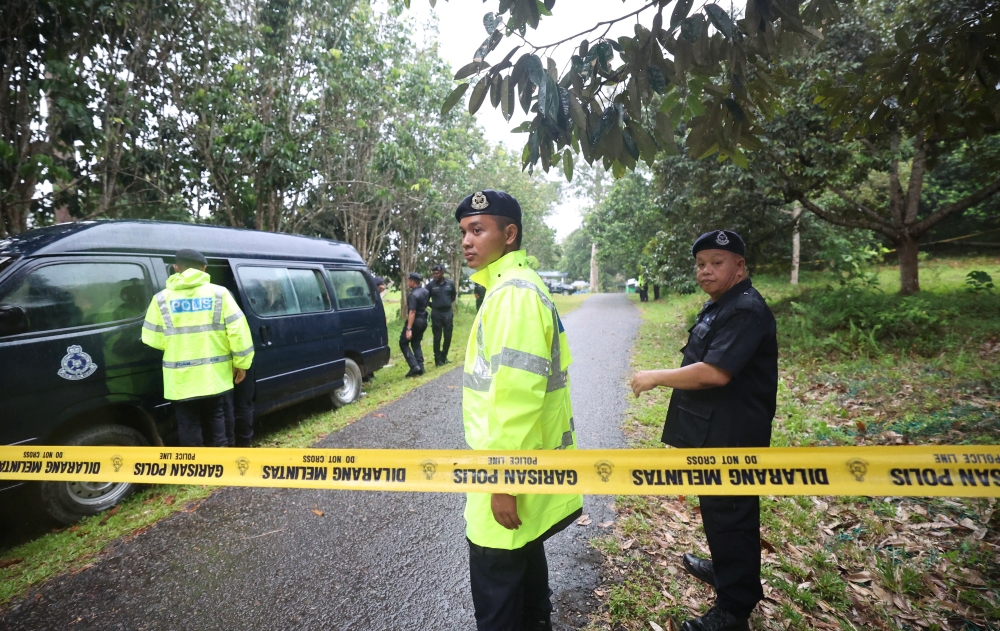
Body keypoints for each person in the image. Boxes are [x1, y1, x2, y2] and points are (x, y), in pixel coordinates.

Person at [630, 230, 777, 631]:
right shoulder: (722, 304)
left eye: (717, 262)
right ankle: (728, 568)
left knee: (731, 513)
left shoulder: (745, 309)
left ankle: (734, 609)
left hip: (734, 435)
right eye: (700, 264)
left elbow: (715, 372)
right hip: (714, 430)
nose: (706, 271)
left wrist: (656, 376)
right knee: (718, 510)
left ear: (740, 266)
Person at [457, 189, 583, 631]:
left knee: (498, 607)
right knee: (528, 586)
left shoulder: (512, 295)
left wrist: (501, 480)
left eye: (478, 230)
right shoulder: (513, 287)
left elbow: (516, 399)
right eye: (464, 233)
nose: (467, 242)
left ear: (509, 234)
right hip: (523, 468)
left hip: (508, 473)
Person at [141, 249, 255, 447]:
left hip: (180, 381)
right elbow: (239, 332)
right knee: (216, 420)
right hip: (214, 377)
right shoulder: (220, 294)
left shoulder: (160, 299)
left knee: (188, 424)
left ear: (176, 268)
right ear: (204, 268)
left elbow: (152, 339)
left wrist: (179, 345)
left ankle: (198, 474)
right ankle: (220, 470)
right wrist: (241, 364)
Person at [427, 263, 457, 367]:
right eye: (434, 273)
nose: (435, 275)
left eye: (437, 273)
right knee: (437, 336)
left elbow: (453, 295)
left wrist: (447, 303)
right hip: (436, 313)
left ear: (442, 273)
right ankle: (438, 359)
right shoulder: (430, 285)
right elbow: (425, 298)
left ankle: (444, 356)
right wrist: (433, 305)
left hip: (448, 312)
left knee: (448, 336)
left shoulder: (450, 284)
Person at [400, 271, 429, 377]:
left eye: (409, 280)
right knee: (416, 343)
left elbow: (412, 312)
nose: (408, 282)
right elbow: (425, 305)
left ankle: (414, 366)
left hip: (415, 321)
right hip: (423, 320)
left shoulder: (413, 295)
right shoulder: (425, 291)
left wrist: (408, 328)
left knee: (403, 343)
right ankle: (421, 367)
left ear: (412, 282)